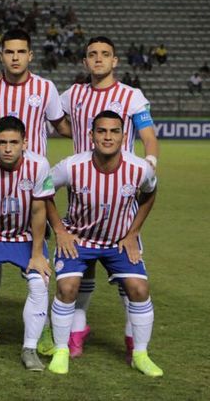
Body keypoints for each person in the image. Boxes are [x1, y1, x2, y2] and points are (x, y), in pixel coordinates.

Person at [0, 28, 70, 355]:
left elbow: (63, 126)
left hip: (33, 183)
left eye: (20, 52)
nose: (15, 57)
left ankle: (40, 332)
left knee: (38, 261)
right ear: (1, 55)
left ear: (30, 55)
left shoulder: (46, 88)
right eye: (9, 52)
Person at [60, 36, 159, 362]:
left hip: (122, 198)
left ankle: (134, 342)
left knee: (127, 278)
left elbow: (147, 136)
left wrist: (150, 168)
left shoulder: (130, 96)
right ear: (85, 61)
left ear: (115, 61)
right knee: (81, 270)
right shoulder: (73, 94)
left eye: (105, 55)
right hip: (82, 192)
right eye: (92, 55)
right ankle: (76, 332)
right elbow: (53, 117)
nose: (98, 59)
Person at [47, 110, 162, 377]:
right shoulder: (72, 166)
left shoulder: (139, 168)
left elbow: (150, 192)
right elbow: (43, 192)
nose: (107, 137)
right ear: (91, 135)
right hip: (79, 239)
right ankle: (61, 350)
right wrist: (60, 231)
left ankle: (140, 355)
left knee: (139, 289)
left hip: (118, 241)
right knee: (67, 287)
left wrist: (134, 232)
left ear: (123, 136)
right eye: (101, 131)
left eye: (114, 131)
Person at [0, 116, 54, 371]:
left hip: (25, 236)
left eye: (14, 142)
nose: (7, 148)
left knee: (40, 283)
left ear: (25, 143)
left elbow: (39, 212)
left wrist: (37, 254)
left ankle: (30, 349)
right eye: (2, 142)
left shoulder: (38, 165)